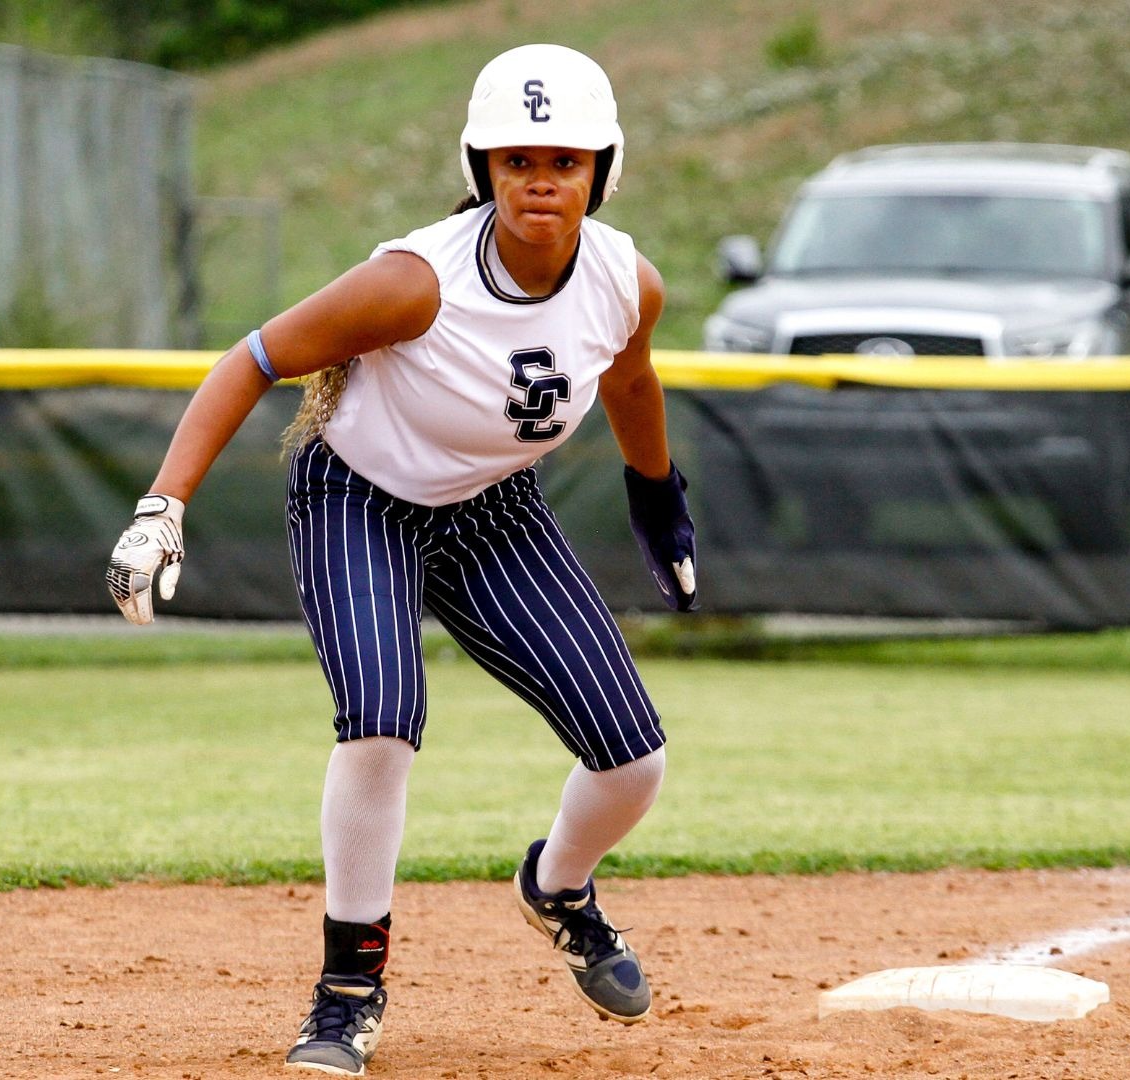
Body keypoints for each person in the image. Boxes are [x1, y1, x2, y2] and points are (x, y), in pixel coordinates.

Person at [105, 42, 698, 1077]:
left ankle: (557, 888)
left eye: (564, 160)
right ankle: (347, 992)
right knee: (381, 725)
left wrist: (658, 497)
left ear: (604, 169)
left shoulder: (623, 280)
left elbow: (633, 382)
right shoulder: (416, 283)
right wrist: (164, 506)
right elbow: (250, 359)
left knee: (633, 761)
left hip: (492, 508)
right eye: (517, 161)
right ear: (482, 169)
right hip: (358, 499)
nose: (541, 181)